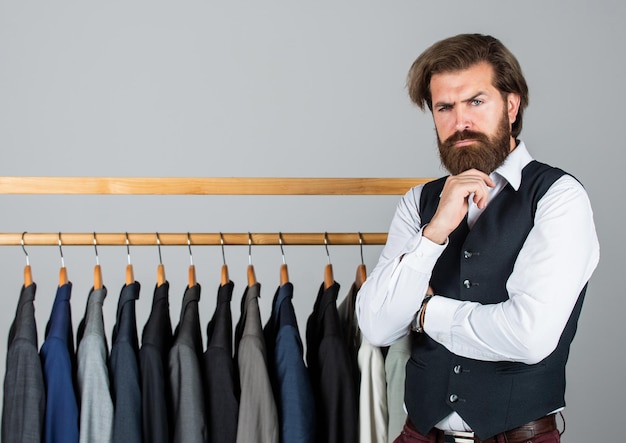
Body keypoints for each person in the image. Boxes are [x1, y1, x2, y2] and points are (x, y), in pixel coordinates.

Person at [356, 33, 599, 443]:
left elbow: (528, 336)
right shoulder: (419, 203)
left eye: (476, 101)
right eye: (444, 107)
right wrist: (434, 233)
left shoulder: (558, 197)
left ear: (512, 103)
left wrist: (423, 313)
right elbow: (377, 325)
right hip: (420, 434)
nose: (459, 121)